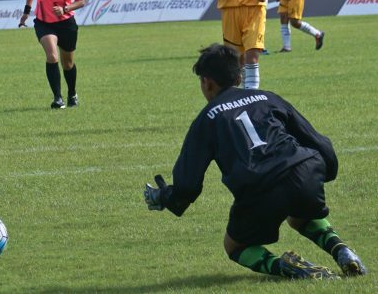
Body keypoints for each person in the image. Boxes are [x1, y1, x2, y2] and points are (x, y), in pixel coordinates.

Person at [143, 44, 368, 279]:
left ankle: (292, 268)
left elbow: (188, 185)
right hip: (303, 171)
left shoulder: (207, 118)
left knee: (235, 246)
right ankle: (342, 250)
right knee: (301, 215)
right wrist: (326, 171)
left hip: (261, 185)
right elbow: (317, 141)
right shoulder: (268, 97)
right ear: (239, 77)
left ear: (206, 82)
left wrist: (166, 197)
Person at [18, 0, 86, 109]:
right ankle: (58, 98)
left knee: (68, 63)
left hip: (65, 23)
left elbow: (82, 1)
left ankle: (72, 94)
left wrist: (65, 9)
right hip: (43, 22)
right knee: (52, 56)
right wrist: (26, 12)